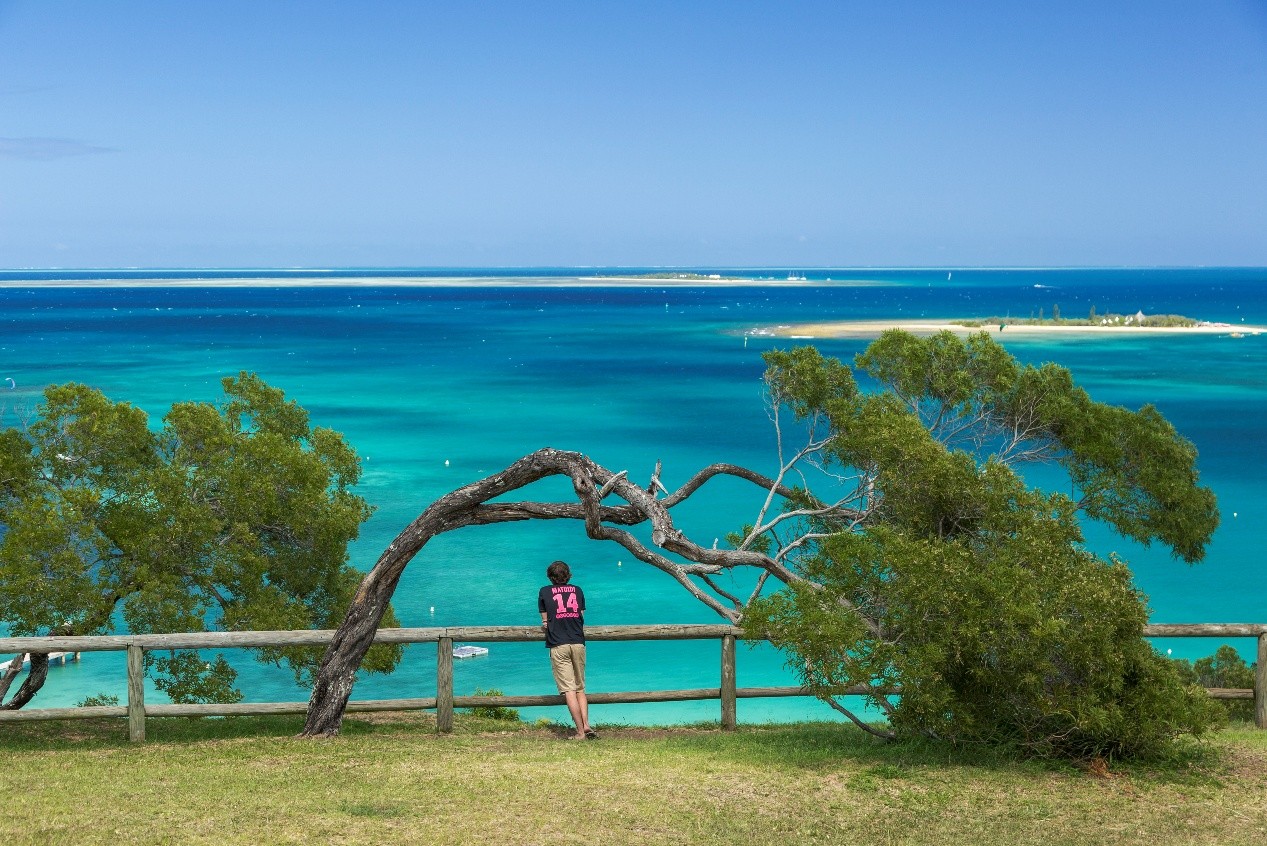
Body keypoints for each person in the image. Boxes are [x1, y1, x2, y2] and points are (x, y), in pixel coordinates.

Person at [538, 560, 596, 740]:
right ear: (568, 575)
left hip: (558, 644)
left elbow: (545, 622)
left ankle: (579, 732)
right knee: (580, 687)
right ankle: (586, 725)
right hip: (578, 642)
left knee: (568, 689)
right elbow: (581, 616)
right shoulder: (577, 590)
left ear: (550, 577)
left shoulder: (544, 592)